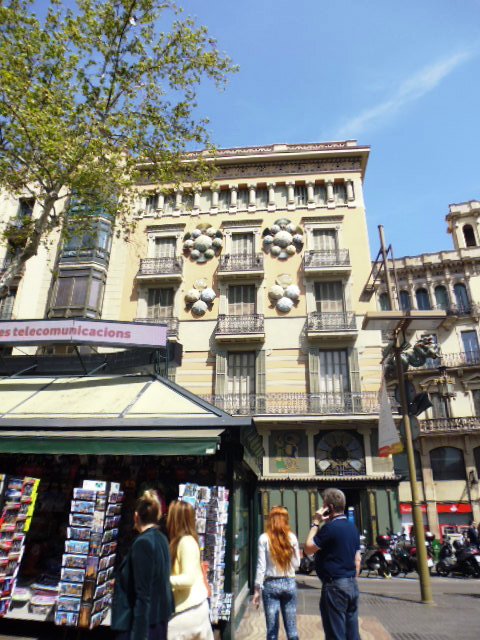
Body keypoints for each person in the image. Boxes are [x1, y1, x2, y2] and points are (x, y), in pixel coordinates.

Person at [111, 490, 174, 640]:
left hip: (140, 625)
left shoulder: (143, 543)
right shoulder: (162, 539)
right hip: (157, 621)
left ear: (136, 516)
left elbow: (143, 594)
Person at [304, 488, 361, 640]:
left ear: (329, 507)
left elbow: (308, 548)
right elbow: (358, 560)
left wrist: (316, 522)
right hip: (351, 584)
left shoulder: (330, 528)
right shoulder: (352, 528)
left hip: (335, 585)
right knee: (352, 633)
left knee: (335, 634)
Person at [167, 500, 213, 640]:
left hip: (187, 612)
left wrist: (161, 579)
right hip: (194, 609)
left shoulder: (186, 542)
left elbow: (188, 579)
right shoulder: (185, 541)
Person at [252, 506, 300, 640]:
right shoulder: (292, 538)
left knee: (272, 630)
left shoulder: (264, 538)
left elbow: (261, 567)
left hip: (271, 584)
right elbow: (297, 565)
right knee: (292, 629)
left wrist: (257, 590)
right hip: (289, 582)